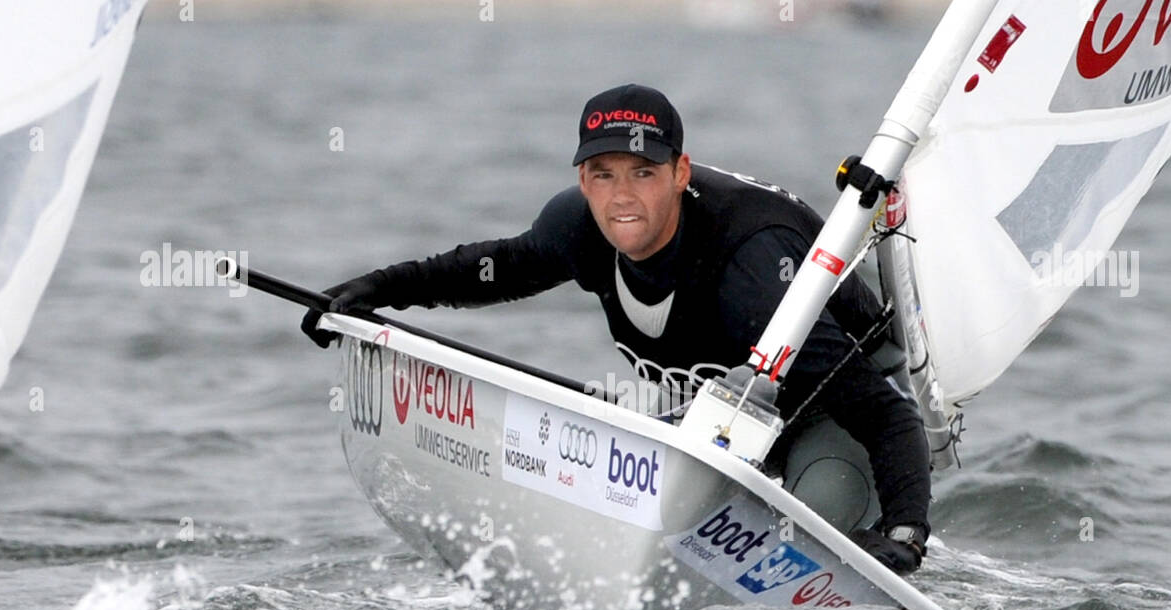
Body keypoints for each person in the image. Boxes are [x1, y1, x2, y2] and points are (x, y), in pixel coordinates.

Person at [302, 84, 932, 573]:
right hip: (724, 415)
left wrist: (905, 533)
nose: (621, 196)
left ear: (680, 174)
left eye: (643, 172)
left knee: (799, 534)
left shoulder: (752, 272)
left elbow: (886, 414)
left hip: (837, 416)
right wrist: (374, 291)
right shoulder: (577, 227)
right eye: (603, 174)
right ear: (582, 180)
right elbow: (487, 271)